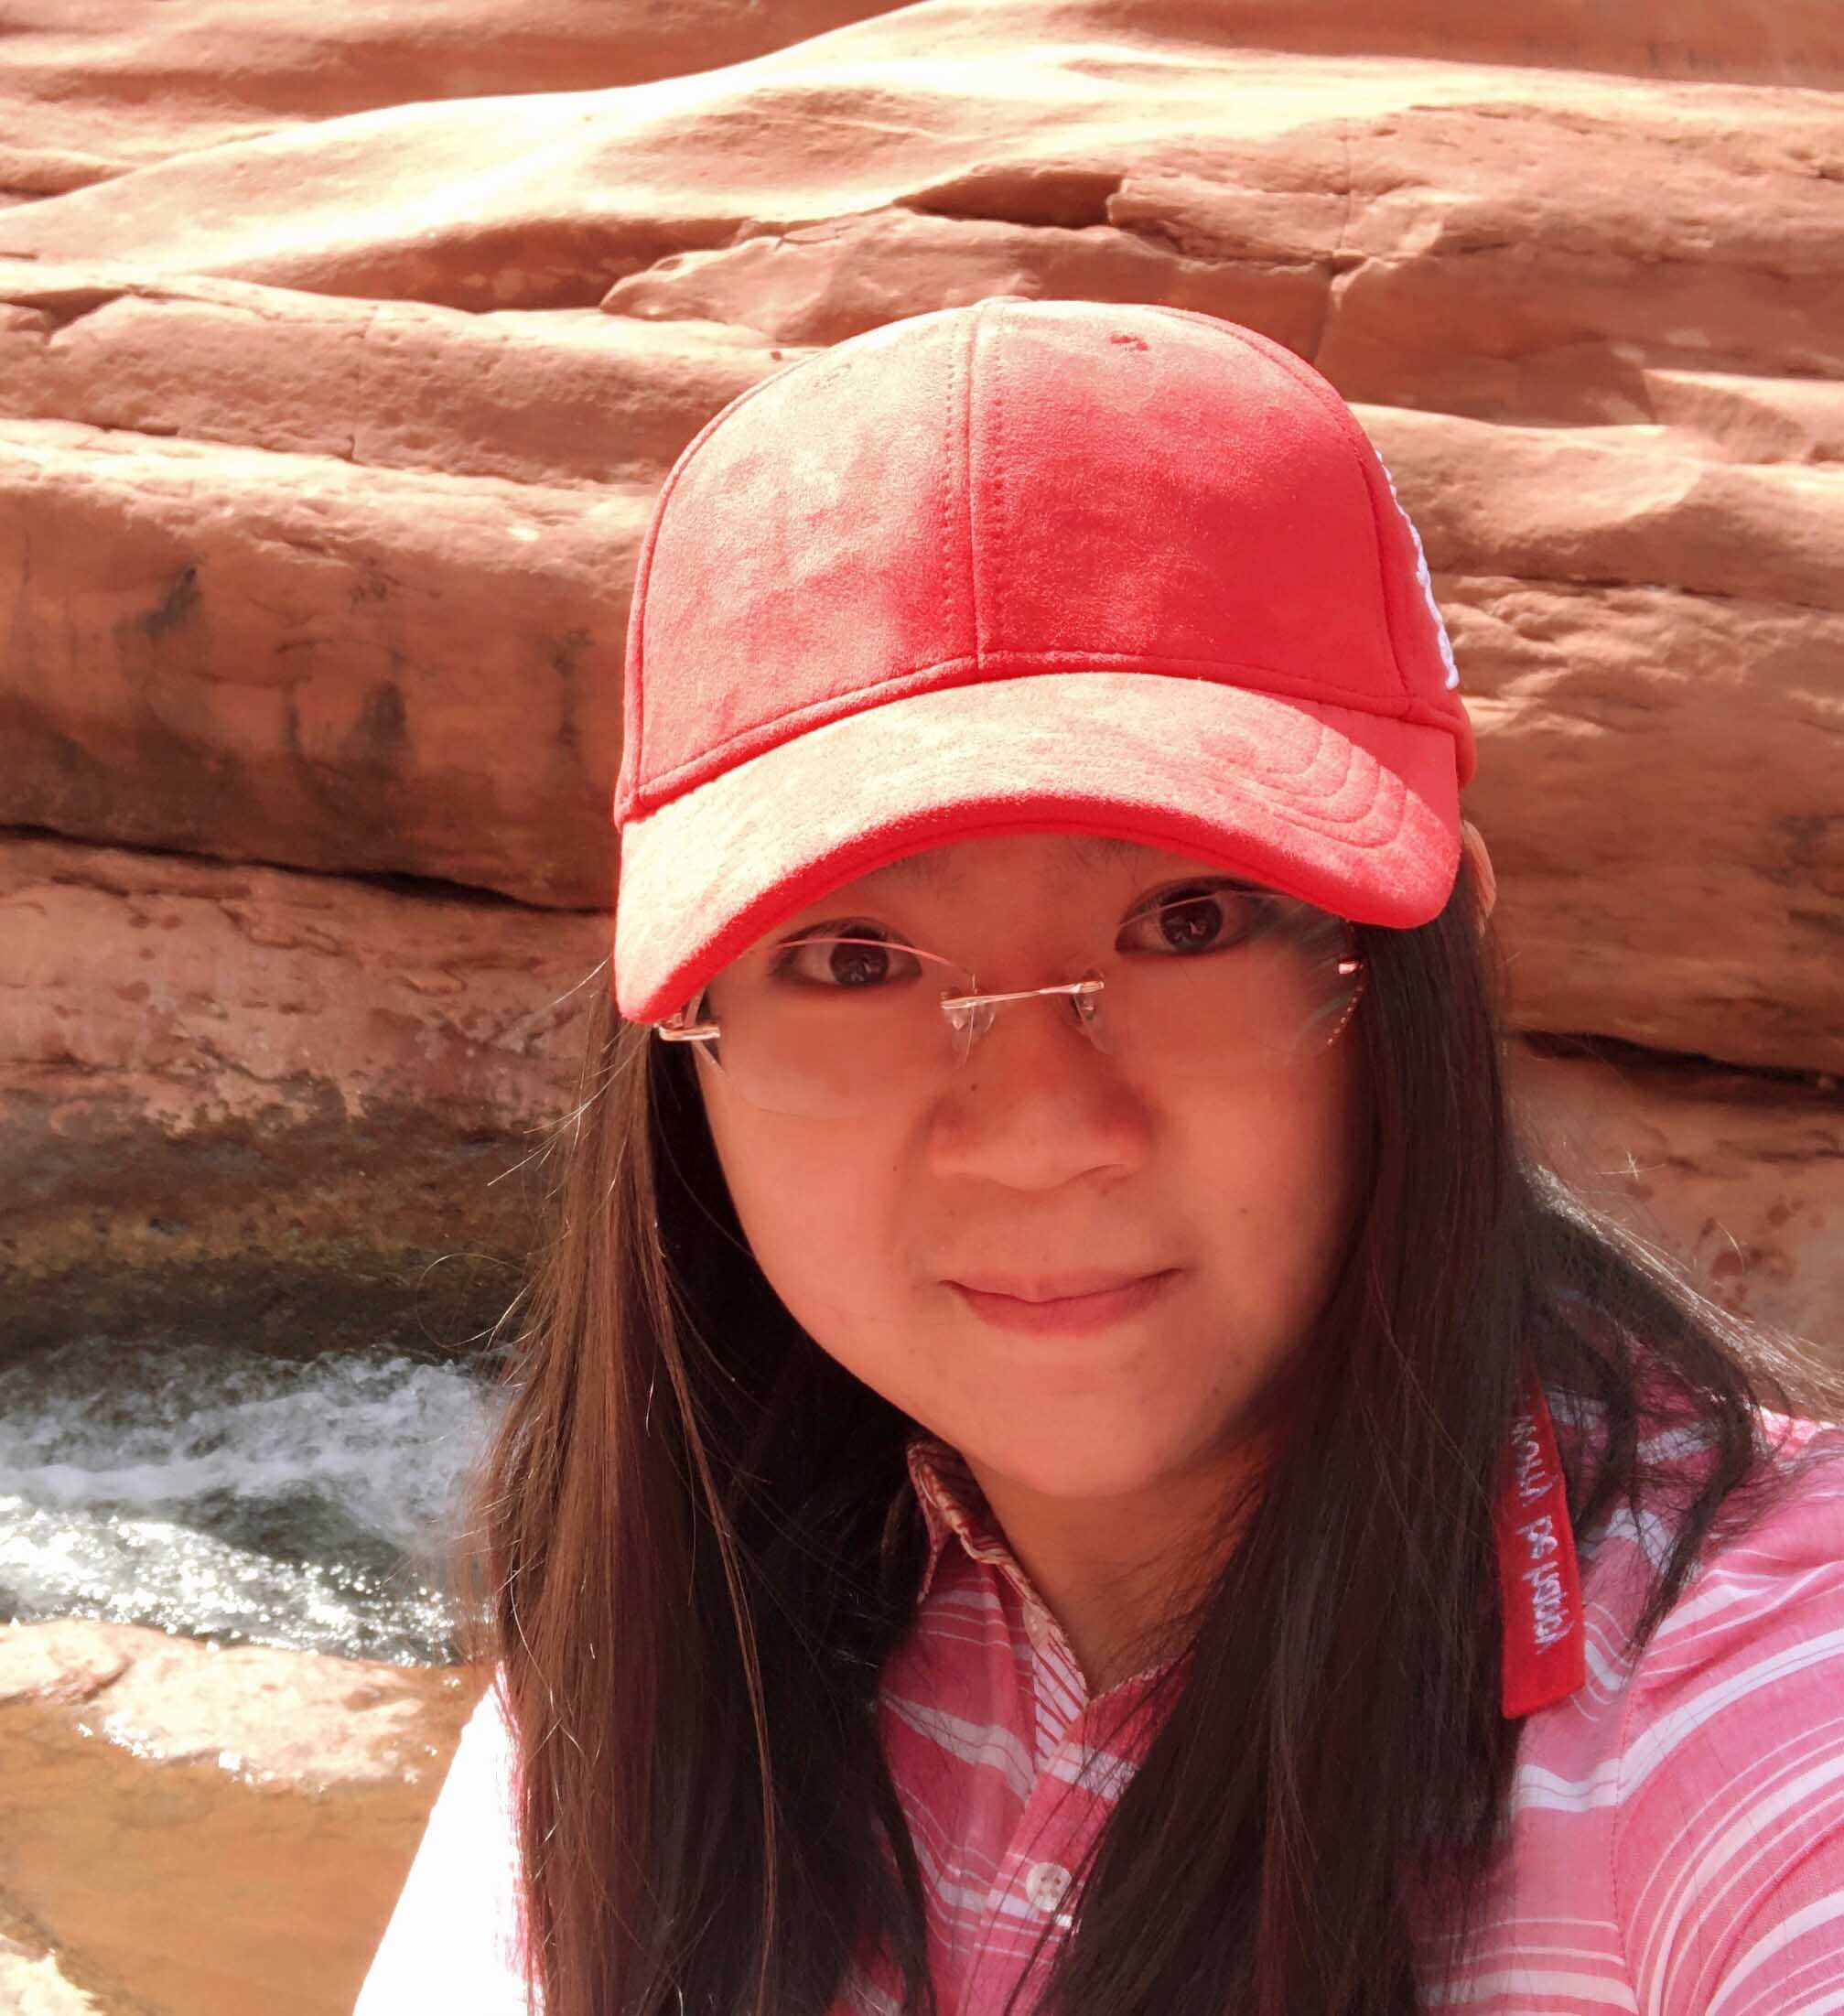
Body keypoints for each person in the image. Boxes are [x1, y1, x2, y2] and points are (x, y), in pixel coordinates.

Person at [353, 296, 1844, 2016]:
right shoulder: (654, 1677)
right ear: (684, 1044)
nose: (1041, 1132)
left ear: (1447, 949)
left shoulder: (1751, 1694)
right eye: (854, 960)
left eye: (1191, 921)